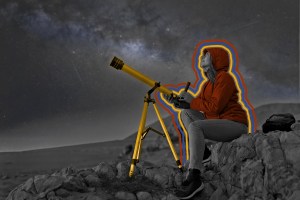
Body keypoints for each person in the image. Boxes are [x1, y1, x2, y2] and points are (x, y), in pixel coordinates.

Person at [166, 47, 248, 199]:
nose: (201, 60)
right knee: (185, 113)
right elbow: (200, 105)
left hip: (235, 124)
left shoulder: (225, 78)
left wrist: (192, 101)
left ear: (216, 60)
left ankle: (195, 177)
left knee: (195, 126)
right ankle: (204, 154)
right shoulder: (207, 84)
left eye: (206, 57)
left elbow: (215, 106)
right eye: (201, 58)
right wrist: (181, 103)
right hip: (219, 122)